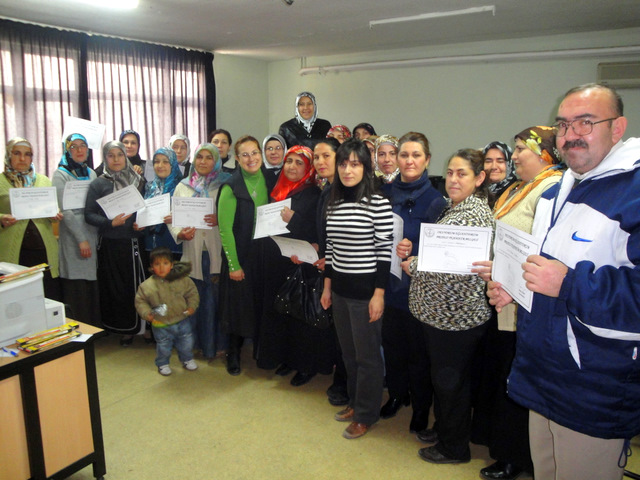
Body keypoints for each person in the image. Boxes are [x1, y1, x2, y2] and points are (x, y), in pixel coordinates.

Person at [488, 84, 640, 480]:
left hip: (594, 386)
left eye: (586, 122)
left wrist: (570, 284)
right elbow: (542, 267)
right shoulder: (560, 188)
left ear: (617, 127)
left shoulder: (635, 191)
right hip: (543, 371)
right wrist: (515, 286)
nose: (571, 133)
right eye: (563, 124)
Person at [472, 127, 563, 480]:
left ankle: (514, 457)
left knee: (513, 376)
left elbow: (541, 249)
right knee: (498, 371)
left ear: (545, 153)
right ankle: (498, 443)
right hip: (501, 292)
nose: (515, 156)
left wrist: (505, 269)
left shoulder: (551, 189)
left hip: (523, 298)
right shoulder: (518, 187)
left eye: (522, 148)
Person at [403, 148, 493, 464]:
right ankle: (445, 430)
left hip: (453, 318)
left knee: (450, 384)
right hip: (446, 316)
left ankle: (453, 448)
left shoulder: (470, 215)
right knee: (449, 382)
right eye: (451, 172)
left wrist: (413, 264)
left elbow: (449, 271)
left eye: (462, 173)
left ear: (479, 178)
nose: (453, 179)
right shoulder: (456, 208)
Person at [320, 139, 393, 440]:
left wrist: (379, 295)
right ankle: (354, 402)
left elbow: (384, 253)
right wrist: (327, 288)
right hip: (339, 291)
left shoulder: (378, 202)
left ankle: (366, 414)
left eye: (355, 163)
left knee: (367, 357)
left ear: (366, 167)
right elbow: (332, 248)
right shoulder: (333, 201)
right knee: (349, 355)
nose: (348, 170)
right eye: (343, 163)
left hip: (365, 293)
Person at [379, 132, 446, 434]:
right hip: (390, 286)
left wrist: (415, 250)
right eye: (403, 155)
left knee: (419, 356)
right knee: (392, 348)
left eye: (415, 155)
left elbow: (443, 250)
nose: (408, 161)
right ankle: (396, 395)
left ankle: (420, 409)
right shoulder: (385, 194)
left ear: (427, 160)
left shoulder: (436, 201)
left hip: (419, 291)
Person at [170, 143, 231, 361]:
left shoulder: (226, 184)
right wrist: (180, 234)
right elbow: (173, 218)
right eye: (199, 157)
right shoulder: (183, 186)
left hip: (216, 252)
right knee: (194, 301)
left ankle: (218, 345)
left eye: (208, 157)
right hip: (193, 251)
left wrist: (220, 219)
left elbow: (236, 214)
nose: (203, 161)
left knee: (216, 302)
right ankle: (195, 345)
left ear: (216, 160)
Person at [84, 140, 146, 344]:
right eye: (111, 156)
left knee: (138, 287)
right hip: (110, 244)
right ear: (105, 158)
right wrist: (110, 222)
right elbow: (89, 215)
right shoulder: (98, 183)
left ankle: (142, 327)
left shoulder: (138, 180)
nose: (116, 159)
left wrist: (144, 223)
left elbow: (146, 208)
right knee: (115, 289)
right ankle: (123, 328)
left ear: (125, 156)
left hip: (133, 243)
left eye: (120, 155)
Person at [217, 135, 269, 375]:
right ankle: (233, 354)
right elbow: (225, 230)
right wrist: (233, 264)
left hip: (263, 255)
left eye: (255, 153)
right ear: (237, 159)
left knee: (260, 303)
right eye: (245, 154)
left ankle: (261, 350)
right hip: (240, 256)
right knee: (237, 307)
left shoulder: (270, 180)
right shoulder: (231, 186)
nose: (251, 158)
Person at [0, 137, 63, 301]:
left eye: (27, 154)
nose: (22, 159)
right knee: (18, 301)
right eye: (17, 153)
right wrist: (1, 219)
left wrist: (55, 215)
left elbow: (53, 212)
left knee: (47, 297)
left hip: (44, 251)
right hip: (13, 254)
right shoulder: (0, 181)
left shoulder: (43, 181)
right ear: (8, 155)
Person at [313, 137, 350, 406]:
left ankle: (345, 385)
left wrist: (330, 258)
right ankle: (340, 379)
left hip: (346, 272)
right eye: (316, 157)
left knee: (347, 336)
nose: (320, 162)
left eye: (326, 156)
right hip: (330, 268)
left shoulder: (346, 190)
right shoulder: (326, 189)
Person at [51, 133, 100, 325]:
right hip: (74, 237)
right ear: (67, 150)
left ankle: (94, 329)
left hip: (92, 232)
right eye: (74, 146)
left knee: (91, 285)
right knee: (76, 286)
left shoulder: (91, 173)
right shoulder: (60, 174)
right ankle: (79, 331)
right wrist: (81, 239)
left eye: (83, 146)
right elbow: (66, 211)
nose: (80, 150)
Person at [135, 246, 200, 376]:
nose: (161, 267)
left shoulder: (183, 279)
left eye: (165, 263)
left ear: (171, 265)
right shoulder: (146, 285)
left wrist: (192, 306)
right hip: (160, 323)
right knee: (163, 346)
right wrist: (147, 313)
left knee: (187, 342)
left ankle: (187, 359)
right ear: (152, 267)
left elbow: (192, 293)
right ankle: (163, 363)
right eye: (157, 264)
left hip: (182, 319)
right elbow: (140, 301)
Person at [141, 147, 183, 259]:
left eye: (165, 161)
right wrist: (140, 223)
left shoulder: (182, 187)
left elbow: (190, 215)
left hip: (174, 245)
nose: (160, 165)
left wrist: (178, 217)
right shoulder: (149, 187)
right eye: (156, 161)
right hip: (151, 245)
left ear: (173, 164)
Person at [483, 141, 517, 208]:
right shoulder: (477, 191)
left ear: (509, 164)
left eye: (500, 161)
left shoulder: (517, 192)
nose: (494, 167)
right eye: (488, 161)